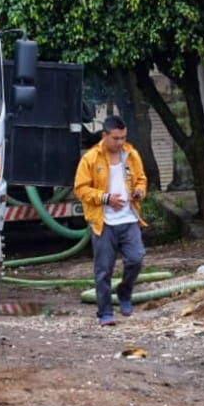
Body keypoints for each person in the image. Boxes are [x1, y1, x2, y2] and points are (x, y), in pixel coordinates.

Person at [74, 115, 149, 327]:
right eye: (116, 138)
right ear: (104, 136)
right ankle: (105, 312)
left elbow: (141, 179)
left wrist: (140, 191)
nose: (120, 142)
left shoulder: (131, 154)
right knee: (104, 270)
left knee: (136, 259)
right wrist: (106, 198)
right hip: (104, 222)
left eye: (123, 137)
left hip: (129, 218)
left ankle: (125, 292)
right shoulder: (90, 158)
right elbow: (81, 189)